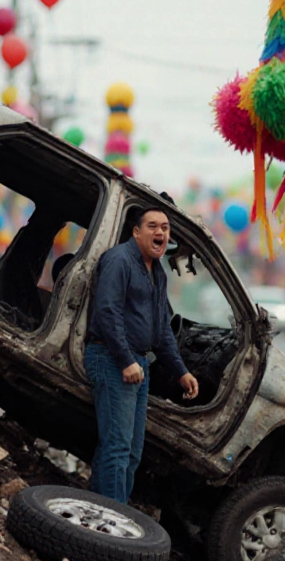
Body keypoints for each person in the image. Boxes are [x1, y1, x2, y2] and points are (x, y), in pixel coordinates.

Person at [85, 206, 199, 503]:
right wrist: (126, 360)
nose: (160, 232)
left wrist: (181, 371)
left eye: (165, 227)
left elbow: (162, 329)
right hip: (112, 360)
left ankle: (98, 512)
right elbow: (107, 313)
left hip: (138, 366)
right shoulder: (119, 260)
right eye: (152, 226)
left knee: (131, 453)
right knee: (118, 449)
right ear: (136, 232)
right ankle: (111, 523)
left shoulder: (157, 273)